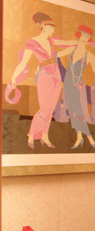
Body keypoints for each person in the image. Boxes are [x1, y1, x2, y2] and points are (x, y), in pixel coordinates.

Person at [9, 12, 63, 149]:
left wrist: (80, 43)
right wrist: (14, 77)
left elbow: (66, 43)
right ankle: (32, 135)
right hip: (45, 75)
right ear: (44, 26)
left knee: (51, 108)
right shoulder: (32, 42)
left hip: (56, 76)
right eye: (51, 28)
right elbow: (23, 62)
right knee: (44, 107)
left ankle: (45, 136)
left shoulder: (50, 41)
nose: (53, 31)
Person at [57, 25, 95, 149]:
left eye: (87, 37)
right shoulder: (71, 50)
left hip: (79, 87)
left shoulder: (89, 56)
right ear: (79, 36)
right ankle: (79, 137)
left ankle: (89, 137)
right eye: (83, 35)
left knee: (79, 111)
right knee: (72, 111)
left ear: (89, 39)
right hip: (68, 85)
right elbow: (56, 55)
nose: (84, 38)